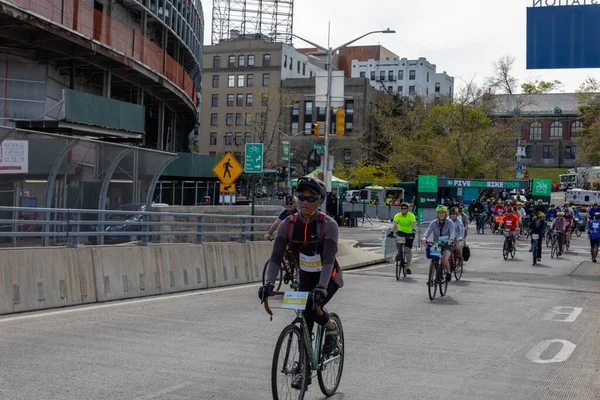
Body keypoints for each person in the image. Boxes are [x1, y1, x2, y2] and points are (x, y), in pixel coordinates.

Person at [259, 177, 343, 384]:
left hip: (328, 276)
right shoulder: (287, 225)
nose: (304, 202)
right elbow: (276, 256)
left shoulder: (328, 225)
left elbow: (329, 260)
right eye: (301, 198)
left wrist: (322, 287)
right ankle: (302, 366)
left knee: (314, 307)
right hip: (304, 277)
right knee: (304, 318)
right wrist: (268, 283)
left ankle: (331, 328)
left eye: (311, 198)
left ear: (320, 201)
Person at [421, 205, 456, 283]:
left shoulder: (450, 222)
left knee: (444, 259)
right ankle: (430, 279)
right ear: (437, 214)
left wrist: (451, 239)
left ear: (445, 213)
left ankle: (448, 273)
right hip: (437, 244)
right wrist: (424, 238)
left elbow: (452, 232)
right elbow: (428, 230)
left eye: (443, 213)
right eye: (439, 213)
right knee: (433, 259)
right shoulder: (433, 223)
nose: (441, 214)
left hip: (447, 244)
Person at [390, 202, 417, 274]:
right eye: (402, 208)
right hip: (401, 232)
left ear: (407, 209)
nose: (403, 210)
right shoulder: (397, 215)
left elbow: (413, 225)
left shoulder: (411, 215)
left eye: (405, 208)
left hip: (409, 233)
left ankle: (408, 267)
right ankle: (399, 252)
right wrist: (391, 232)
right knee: (398, 241)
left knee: (408, 250)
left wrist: (413, 232)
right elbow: (394, 225)